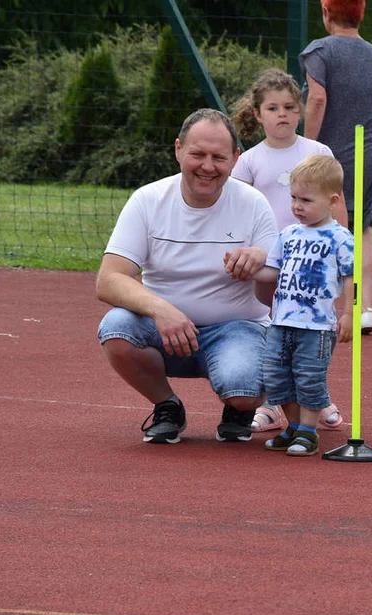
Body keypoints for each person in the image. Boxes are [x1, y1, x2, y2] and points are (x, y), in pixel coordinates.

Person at [96, 109, 278, 444]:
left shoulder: (253, 204)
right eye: (197, 154)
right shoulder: (147, 200)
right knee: (116, 327)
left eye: (219, 157)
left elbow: (277, 285)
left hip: (238, 328)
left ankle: (240, 407)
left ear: (236, 158)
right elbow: (109, 279)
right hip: (164, 330)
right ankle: (167, 405)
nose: (207, 166)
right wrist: (161, 310)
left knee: (242, 387)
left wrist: (262, 258)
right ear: (178, 149)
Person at [230, 68, 348, 434]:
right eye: (273, 107)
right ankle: (271, 403)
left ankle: (317, 397)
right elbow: (235, 206)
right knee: (274, 336)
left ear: (300, 110)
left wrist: (341, 237)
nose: (282, 114)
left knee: (312, 338)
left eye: (289, 106)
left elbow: (337, 204)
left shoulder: (317, 151)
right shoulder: (249, 160)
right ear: (257, 114)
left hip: (313, 265)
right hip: (271, 259)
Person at [252, 154, 355, 457]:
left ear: (332, 201)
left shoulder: (340, 238)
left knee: (309, 377)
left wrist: (350, 312)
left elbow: (351, 278)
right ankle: (293, 427)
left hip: (316, 326)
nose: (297, 206)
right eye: (293, 198)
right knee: (277, 375)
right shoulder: (287, 234)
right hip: (281, 322)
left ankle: (309, 433)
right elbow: (272, 270)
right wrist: (247, 270)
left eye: (306, 200)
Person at [300, 0, 372, 335]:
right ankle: (364, 308)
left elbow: (317, 98)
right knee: (362, 229)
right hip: (369, 149)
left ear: (326, 13)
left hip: (331, 152)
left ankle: (317, 304)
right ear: (361, 13)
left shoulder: (319, 51)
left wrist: (307, 147)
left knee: (317, 224)